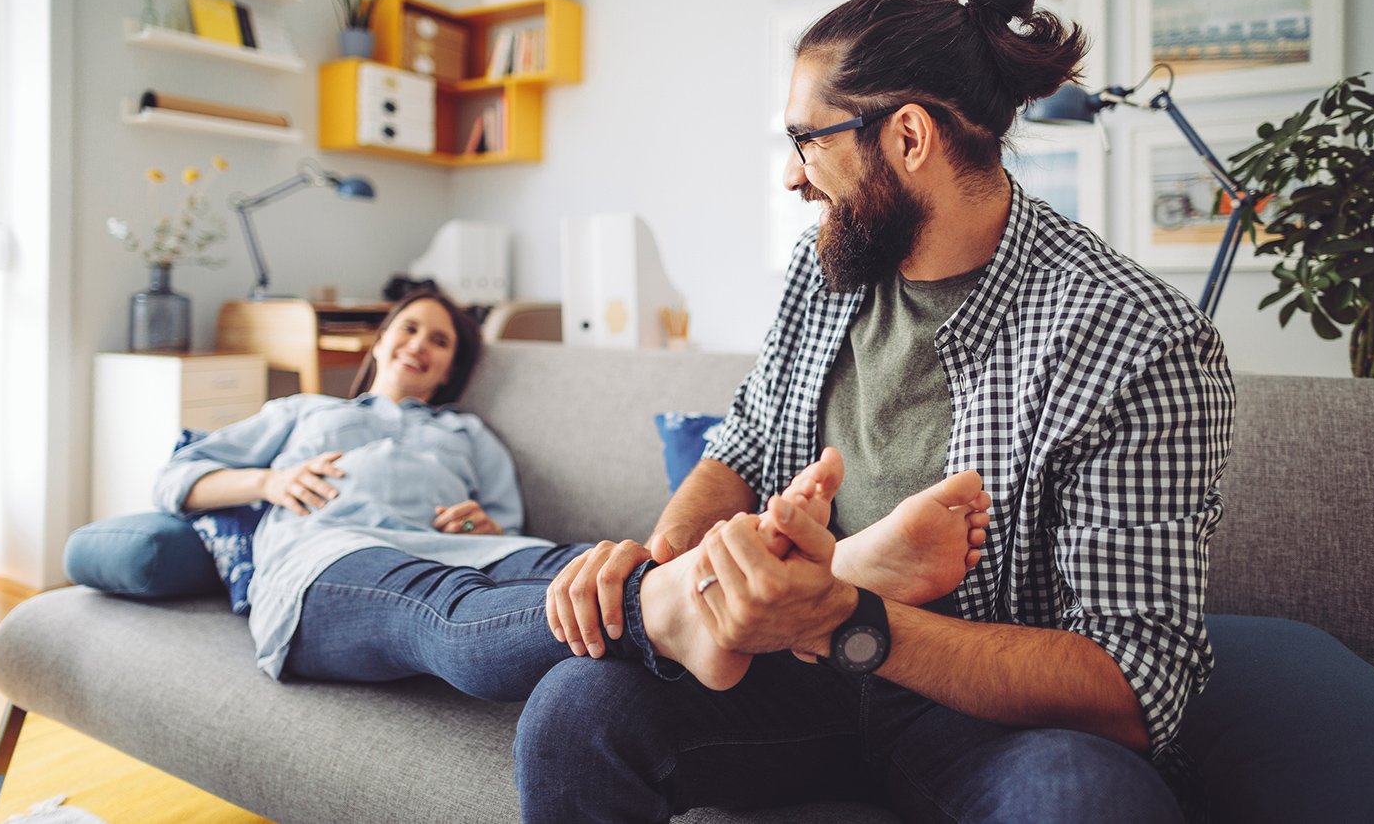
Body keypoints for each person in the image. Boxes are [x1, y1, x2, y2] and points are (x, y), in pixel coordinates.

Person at [530, 0, 1235, 823]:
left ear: (908, 137)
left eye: (807, 140)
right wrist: (678, 568)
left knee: (1084, 800)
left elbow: (1133, 685)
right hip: (795, 685)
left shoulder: (1137, 336)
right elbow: (742, 448)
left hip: (978, 715)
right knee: (575, 709)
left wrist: (842, 613)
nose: (792, 175)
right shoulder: (822, 271)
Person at [153, 288, 991, 700]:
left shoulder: (467, 436)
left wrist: (482, 521)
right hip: (334, 558)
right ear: (382, 341)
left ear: (452, 367)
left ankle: (815, 587)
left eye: (439, 340)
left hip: (479, 549)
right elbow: (176, 478)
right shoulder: (304, 411)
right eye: (409, 327)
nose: (420, 343)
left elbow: (510, 528)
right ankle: (723, 599)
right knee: (439, 606)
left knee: (568, 566)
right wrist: (270, 480)